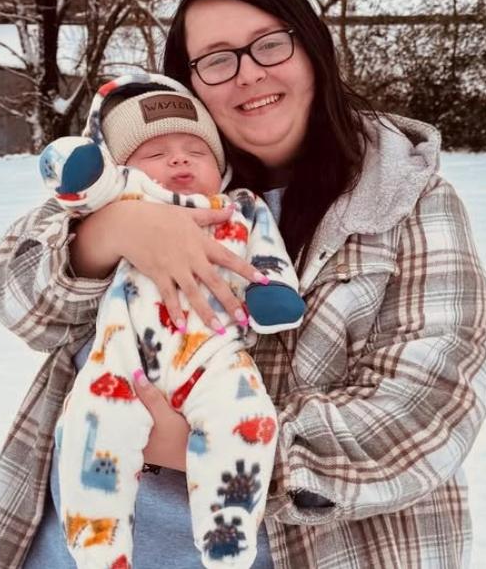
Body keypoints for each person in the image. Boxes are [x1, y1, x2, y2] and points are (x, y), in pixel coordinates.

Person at [0, 0, 486, 569]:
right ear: (189, 82)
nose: (249, 73)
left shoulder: (404, 197)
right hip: (71, 549)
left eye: (270, 44)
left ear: (313, 50)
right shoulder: (150, 166)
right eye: (216, 60)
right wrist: (113, 229)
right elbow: (13, 299)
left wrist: (212, 443)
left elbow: (432, 405)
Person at [39, 72, 302, 569]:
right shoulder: (122, 203)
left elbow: (266, 255)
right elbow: (80, 189)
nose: (179, 159)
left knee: (248, 419)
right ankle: (99, 547)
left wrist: (270, 292)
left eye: (196, 151)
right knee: (91, 429)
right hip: (124, 356)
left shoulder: (240, 208)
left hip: (215, 356)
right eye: (156, 153)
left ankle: (228, 536)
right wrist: (80, 173)